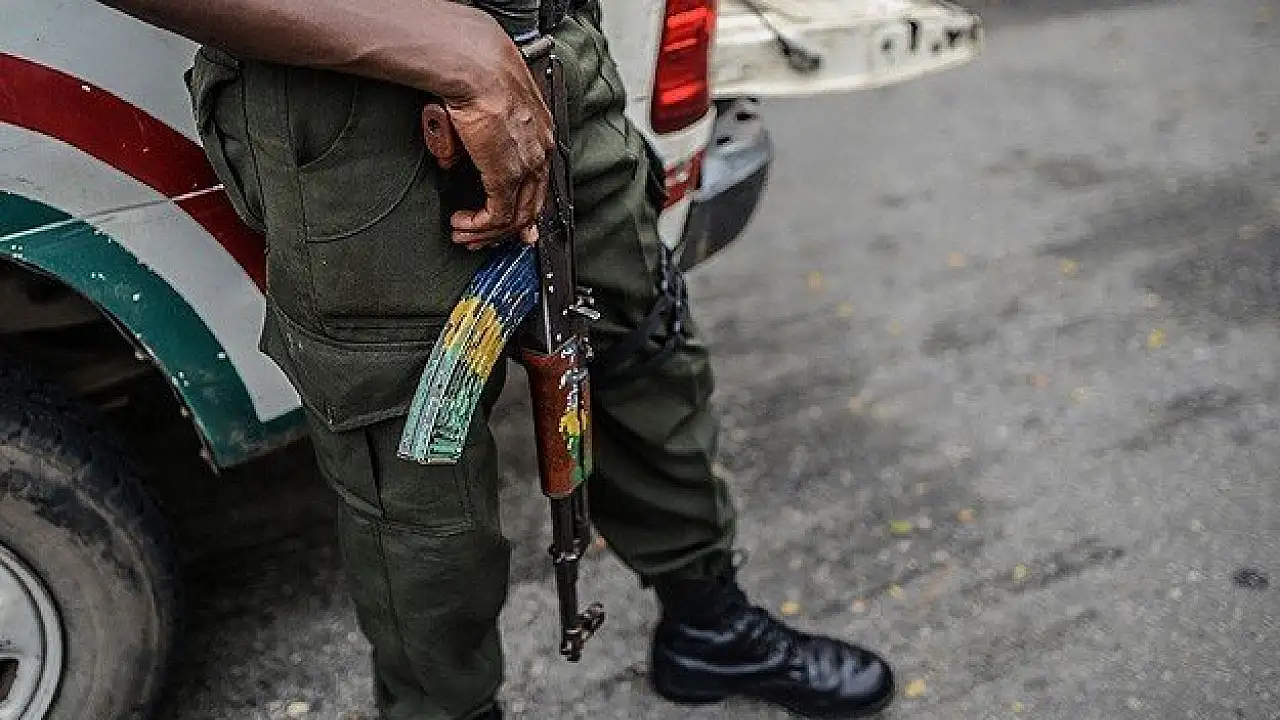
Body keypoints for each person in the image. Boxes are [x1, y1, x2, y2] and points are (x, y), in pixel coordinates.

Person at [99, 1, 897, 718]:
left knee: (643, 350)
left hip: (552, 55)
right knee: (414, 475)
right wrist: (444, 48)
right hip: (345, 115)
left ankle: (708, 624)